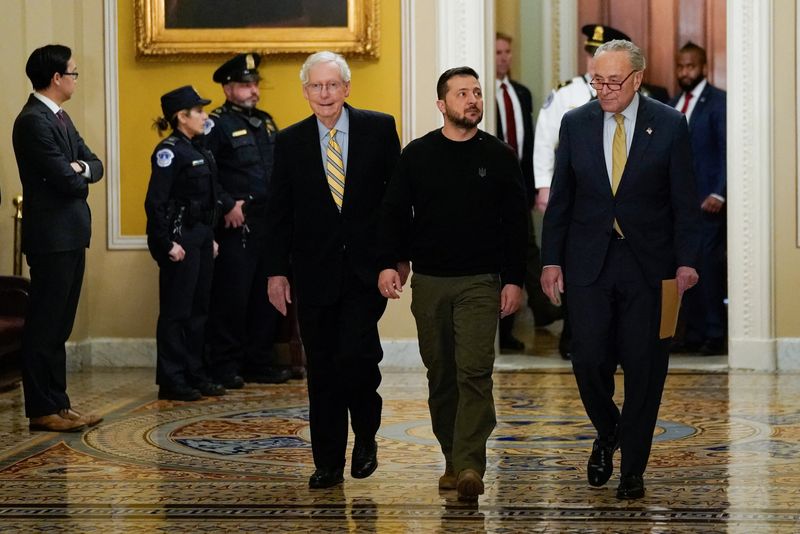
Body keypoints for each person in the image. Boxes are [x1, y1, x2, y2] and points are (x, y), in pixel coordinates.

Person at [540, 40, 701, 500]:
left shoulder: (669, 125)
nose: (604, 89)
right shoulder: (576, 123)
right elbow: (561, 200)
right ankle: (609, 430)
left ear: (637, 78)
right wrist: (551, 260)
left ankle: (633, 467)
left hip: (650, 266)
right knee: (588, 360)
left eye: (613, 81)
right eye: (597, 80)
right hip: (589, 261)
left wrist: (687, 261)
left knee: (645, 368)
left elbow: (684, 201)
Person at [378, 67, 528, 501]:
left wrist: (514, 280)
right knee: (441, 374)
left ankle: (469, 465)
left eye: (477, 92)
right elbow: (394, 214)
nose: (473, 99)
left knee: (475, 373)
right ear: (442, 105)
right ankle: (451, 459)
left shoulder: (499, 156)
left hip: (481, 282)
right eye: (463, 93)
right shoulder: (417, 155)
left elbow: (517, 227)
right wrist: (393, 263)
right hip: (429, 282)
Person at [264, 51, 401, 490]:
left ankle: (365, 435)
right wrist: (276, 273)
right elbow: (278, 214)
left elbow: (394, 204)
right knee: (322, 368)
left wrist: (395, 260)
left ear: (347, 88)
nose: (325, 94)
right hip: (314, 273)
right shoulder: (289, 142)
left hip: (368, 273)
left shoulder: (378, 129)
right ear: (306, 93)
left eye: (332, 85)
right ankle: (327, 461)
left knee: (358, 358)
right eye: (316, 86)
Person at [12, 44, 104, 432]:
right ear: (56, 78)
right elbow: (68, 182)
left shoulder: (60, 118)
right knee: (45, 324)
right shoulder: (34, 120)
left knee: (60, 324)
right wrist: (78, 175)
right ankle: (40, 408)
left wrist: (79, 167)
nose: (76, 79)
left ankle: (59, 403)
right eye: (74, 72)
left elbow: (93, 165)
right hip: (51, 236)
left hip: (69, 234)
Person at [204, 53, 292, 388]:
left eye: (255, 84)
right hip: (235, 225)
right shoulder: (216, 124)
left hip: (268, 222)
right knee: (232, 296)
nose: (253, 90)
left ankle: (259, 360)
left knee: (265, 294)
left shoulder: (267, 121)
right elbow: (206, 170)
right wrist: (226, 203)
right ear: (228, 89)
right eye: (245, 85)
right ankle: (225, 365)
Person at [145, 85, 227, 402]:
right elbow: (156, 203)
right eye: (200, 111)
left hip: (202, 238)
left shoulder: (198, 149)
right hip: (180, 240)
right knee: (176, 312)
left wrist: (211, 238)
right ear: (182, 116)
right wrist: (166, 243)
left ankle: (195, 373)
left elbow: (207, 198)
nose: (205, 116)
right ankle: (172, 378)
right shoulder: (170, 152)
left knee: (199, 310)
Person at [494, 32, 561, 352]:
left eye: (508, 51)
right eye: (498, 52)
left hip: (519, 184)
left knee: (525, 247)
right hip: (489, 184)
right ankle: (502, 330)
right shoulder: (481, 96)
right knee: (500, 254)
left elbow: (531, 143)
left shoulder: (521, 93)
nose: (504, 57)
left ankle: (543, 309)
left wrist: (537, 185)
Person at [669, 42, 727, 356]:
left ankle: (714, 333)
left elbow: (727, 149)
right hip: (678, 208)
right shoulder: (673, 102)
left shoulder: (718, 102)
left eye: (690, 66)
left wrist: (719, 191)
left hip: (707, 204)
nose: (684, 72)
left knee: (707, 271)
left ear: (703, 67)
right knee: (682, 270)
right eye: (680, 66)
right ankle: (689, 334)